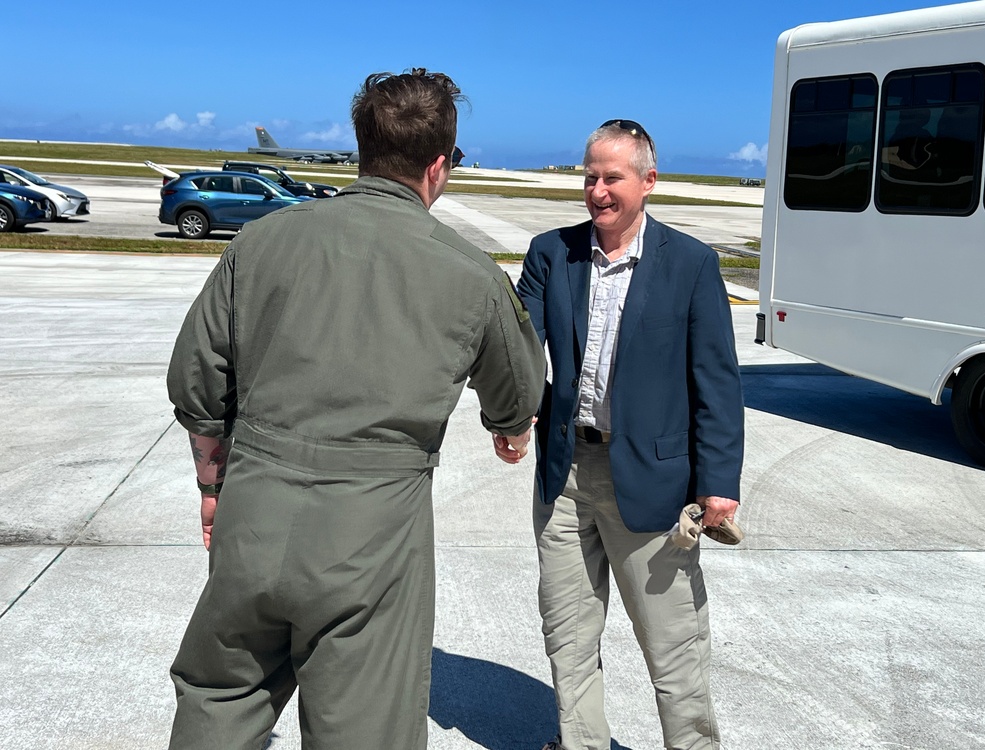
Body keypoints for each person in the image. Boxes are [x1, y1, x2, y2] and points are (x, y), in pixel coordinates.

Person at [166, 68, 545, 750]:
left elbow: (197, 382)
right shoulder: (471, 274)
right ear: (438, 165)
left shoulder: (260, 241)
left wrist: (210, 490)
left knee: (219, 697)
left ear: (363, 150)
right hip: (372, 537)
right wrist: (509, 434)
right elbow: (519, 395)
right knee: (364, 729)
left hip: (253, 510)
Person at [495, 119, 744, 750]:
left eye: (613, 178)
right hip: (565, 475)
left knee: (674, 647)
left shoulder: (690, 264)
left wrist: (719, 484)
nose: (598, 191)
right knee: (569, 636)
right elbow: (520, 345)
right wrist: (512, 411)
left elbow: (716, 382)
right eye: (590, 177)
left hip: (654, 486)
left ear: (648, 181)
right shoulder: (553, 252)